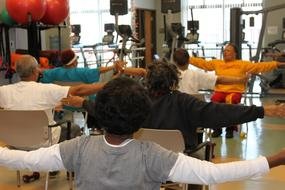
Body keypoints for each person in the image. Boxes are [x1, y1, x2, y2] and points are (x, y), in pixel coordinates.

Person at [1, 77, 285, 190]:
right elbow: (212, 175)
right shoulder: (152, 156)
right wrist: (275, 159)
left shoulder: (78, 148)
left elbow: (27, 160)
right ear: (139, 118)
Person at [63, 61, 285, 151]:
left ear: (148, 81)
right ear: (173, 82)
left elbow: (105, 110)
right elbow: (221, 113)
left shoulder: (133, 99)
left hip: (141, 157)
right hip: (178, 160)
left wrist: (81, 102)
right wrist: (264, 110)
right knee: (204, 151)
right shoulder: (184, 102)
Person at [0, 55, 105, 179]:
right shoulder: (46, 89)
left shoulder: (3, 91)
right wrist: (108, 85)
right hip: (43, 141)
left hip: (15, 142)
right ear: (35, 71)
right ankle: (70, 172)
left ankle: (51, 166)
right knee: (74, 128)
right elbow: (78, 91)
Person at [189, 42, 285, 138]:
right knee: (214, 101)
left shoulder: (242, 64)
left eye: (228, 51)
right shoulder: (217, 63)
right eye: (225, 50)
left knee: (230, 100)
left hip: (235, 92)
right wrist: (187, 58)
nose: (225, 52)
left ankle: (230, 128)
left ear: (235, 54)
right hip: (220, 91)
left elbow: (259, 66)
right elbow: (203, 64)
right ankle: (217, 128)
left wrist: (278, 64)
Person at [173, 48, 247, 94]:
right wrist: (240, 80)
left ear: (174, 61)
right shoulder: (195, 74)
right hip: (191, 108)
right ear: (189, 60)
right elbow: (220, 80)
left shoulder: (167, 75)